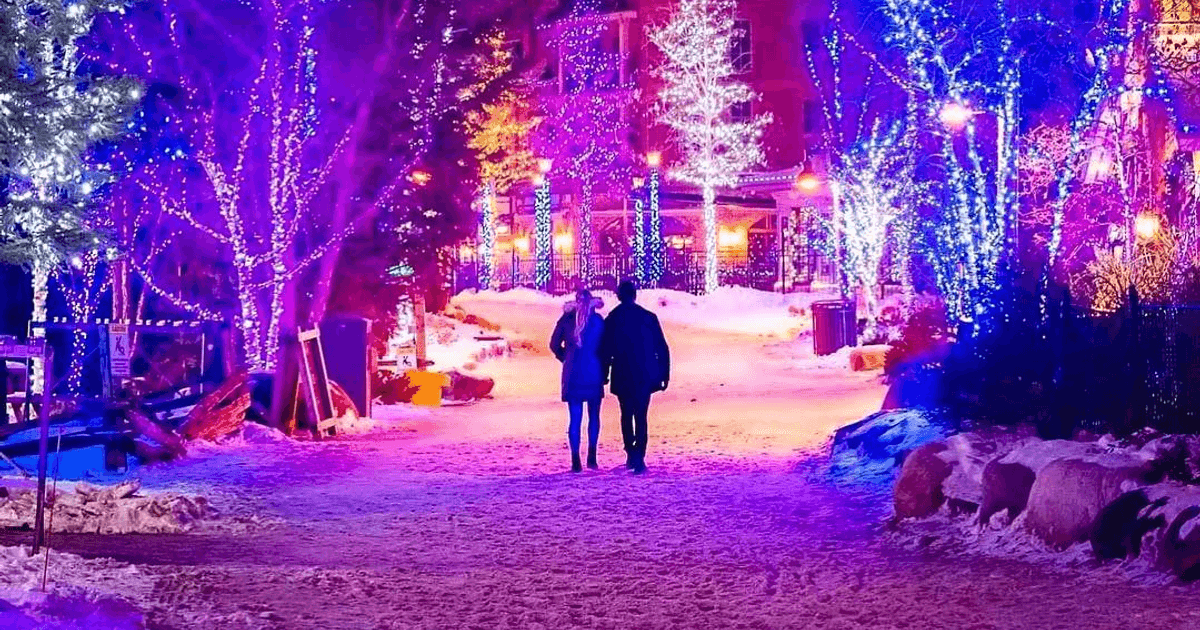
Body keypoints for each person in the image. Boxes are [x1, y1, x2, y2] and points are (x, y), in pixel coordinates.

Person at [600, 281, 670, 474]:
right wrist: (664, 374)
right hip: (644, 373)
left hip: (622, 371)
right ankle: (640, 456)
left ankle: (631, 452)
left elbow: (606, 350)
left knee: (626, 414)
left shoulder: (613, 318)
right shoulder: (648, 317)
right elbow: (662, 348)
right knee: (641, 415)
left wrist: (604, 374)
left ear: (619, 296)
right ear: (635, 295)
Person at [550, 289, 606, 472]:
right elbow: (606, 347)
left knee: (575, 418)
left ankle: (575, 459)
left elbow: (553, 344)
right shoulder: (597, 321)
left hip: (572, 372)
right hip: (593, 371)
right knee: (594, 416)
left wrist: (566, 357)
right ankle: (592, 457)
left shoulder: (566, 320)